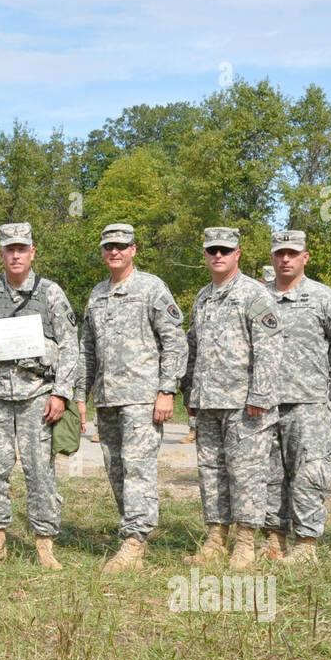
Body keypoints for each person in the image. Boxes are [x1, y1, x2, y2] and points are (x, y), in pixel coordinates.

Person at [0, 222, 80, 569]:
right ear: (1, 254)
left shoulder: (51, 293)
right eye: (9, 249)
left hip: (37, 397)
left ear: (32, 253)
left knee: (40, 471)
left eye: (22, 249)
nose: (16, 255)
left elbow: (71, 346)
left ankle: (45, 545)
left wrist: (62, 393)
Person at [78, 223, 188, 573]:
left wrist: (167, 389)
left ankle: (135, 541)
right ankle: (131, 530)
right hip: (108, 399)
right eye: (109, 246)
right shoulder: (97, 293)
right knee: (117, 468)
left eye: (121, 246)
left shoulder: (152, 288)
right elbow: (87, 349)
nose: (115, 252)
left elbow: (174, 340)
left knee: (138, 467)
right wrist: (82, 394)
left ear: (134, 250)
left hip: (142, 397)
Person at [180, 227, 281, 569]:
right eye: (212, 250)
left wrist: (261, 393)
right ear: (205, 254)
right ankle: (214, 539)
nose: (218, 256)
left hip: (245, 403)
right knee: (210, 471)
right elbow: (193, 347)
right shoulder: (203, 296)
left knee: (247, 473)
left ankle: (245, 543)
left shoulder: (255, 294)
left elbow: (269, 349)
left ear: (237, 253)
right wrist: (190, 391)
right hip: (208, 402)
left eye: (225, 250)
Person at [262, 230, 331, 564]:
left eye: (292, 253)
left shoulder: (323, 297)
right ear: (272, 257)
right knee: (269, 473)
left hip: (310, 402)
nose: (285, 259)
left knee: (309, 474)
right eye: (279, 253)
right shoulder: (259, 297)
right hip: (266, 403)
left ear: (305, 257)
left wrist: (319, 372)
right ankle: (273, 539)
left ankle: (305, 544)